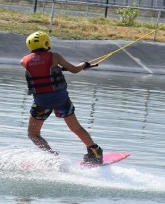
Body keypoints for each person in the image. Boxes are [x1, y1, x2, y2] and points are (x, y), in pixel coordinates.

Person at [20, 31, 103, 164]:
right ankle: (95, 151)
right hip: (61, 100)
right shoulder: (55, 56)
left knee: (33, 134)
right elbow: (75, 70)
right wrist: (84, 64)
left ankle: (52, 157)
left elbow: (40, 68)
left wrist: (57, 69)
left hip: (42, 103)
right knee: (76, 128)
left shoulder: (23, 61)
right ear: (46, 43)